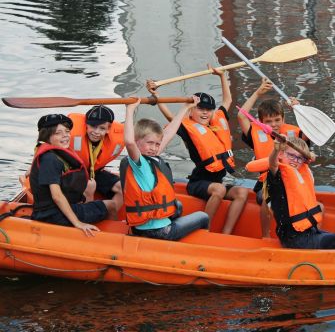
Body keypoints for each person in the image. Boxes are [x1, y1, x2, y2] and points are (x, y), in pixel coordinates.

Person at [146, 65, 247, 235]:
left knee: (242, 192)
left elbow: (227, 101)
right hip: (198, 184)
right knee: (220, 189)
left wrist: (222, 76)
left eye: (208, 110)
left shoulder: (216, 125)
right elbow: (171, 118)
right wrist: (156, 97)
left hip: (215, 182)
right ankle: (203, 229)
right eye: (200, 109)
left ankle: (226, 232)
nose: (205, 113)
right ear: (192, 110)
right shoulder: (187, 128)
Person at [122, 98, 209, 241]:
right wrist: (130, 110)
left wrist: (185, 108)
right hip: (160, 231)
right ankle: (198, 247)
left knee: (178, 206)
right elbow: (129, 142)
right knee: (203, 216)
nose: (154, 148)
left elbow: (169, 133)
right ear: (137, 142)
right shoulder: (138, 162)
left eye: (157, 144)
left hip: (142, 226)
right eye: (150, 143)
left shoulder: (151, 157)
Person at [237, 77, 309, 237]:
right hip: (267, 182)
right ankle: (266, 236)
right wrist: (257, 92)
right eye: (269, 122)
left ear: (283, 119)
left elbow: (310, 131)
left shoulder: (295, 134)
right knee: (267, 197)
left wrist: (299, 110)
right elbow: (241, 116)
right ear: (261, 123)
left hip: (291, 180)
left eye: (277, 120)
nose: (274, 124)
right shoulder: (255, 133)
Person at [29, 114, 117, 236]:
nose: (65, 135)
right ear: (47, 135)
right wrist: (77, 223)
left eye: (67, 131)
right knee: (111, 205)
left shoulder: (52, 154)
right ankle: (110, 238)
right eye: (58, 133)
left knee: (96, 198)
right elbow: (57, 196)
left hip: (53, 211)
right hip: (52, 215)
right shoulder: (49, 159)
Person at [265, 136, 335, 249]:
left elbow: (308, 160)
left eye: (299, 158)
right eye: (291, 155)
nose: (294, 160)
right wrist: (276, 149)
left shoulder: (302, 170)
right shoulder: (278, 176)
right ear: (281, 154)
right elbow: (272, 163)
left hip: (309, 232)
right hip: (295, 240)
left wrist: (308, 155)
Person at [68, 105, 124, 216]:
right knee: (89, 185)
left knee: (122, 187)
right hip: (74, 172)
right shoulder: (70, 133)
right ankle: (87, 217)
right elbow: (48, 144)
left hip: (95, 172)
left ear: (108, 129)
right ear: (86, 126)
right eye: (93, 126)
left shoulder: (117, 138)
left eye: (102, 128)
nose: (96, 132)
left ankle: (109, 218)